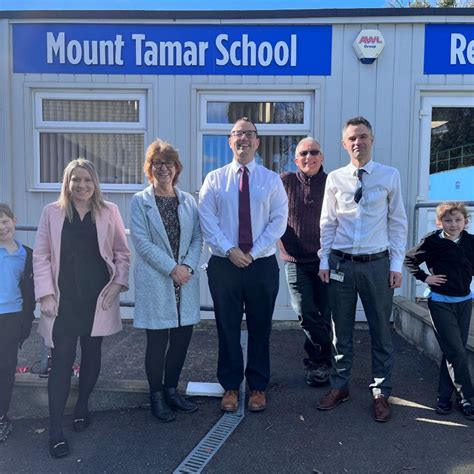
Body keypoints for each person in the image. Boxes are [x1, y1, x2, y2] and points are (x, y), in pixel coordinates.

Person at [33, 159, 130, 458]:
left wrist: (118, 284)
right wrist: (45, 295)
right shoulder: (52, 212)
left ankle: (82, 406)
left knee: (91, 353)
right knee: (61, 360)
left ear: (95, 182)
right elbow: (41, 256)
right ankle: (55, 431)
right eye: (76, 179)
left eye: (87, 179)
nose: (82, 185)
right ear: (67, 182)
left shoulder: (109, 211)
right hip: (62, 300)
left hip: (96, 299)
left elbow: (122, 253)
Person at [316, 116, 407, 422]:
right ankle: (339, 386)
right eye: (352, 138)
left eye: (363, 136)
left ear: (372, 140)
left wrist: (396, 264)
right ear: (344, 144)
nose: (358, 142)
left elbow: (398, 222)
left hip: (377, 265)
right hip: (341, 264)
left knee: (380, 330)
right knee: (340, 330)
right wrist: (324, 260)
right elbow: (328, 222)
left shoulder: (389, 176)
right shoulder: (335, 179)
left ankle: (381, 392)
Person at [199, 117, 288, 413]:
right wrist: (230, 250)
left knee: (261, 327)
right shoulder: (214, 179)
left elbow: (279, 221)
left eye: (249, 134)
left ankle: (258, 387)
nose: (244, 139)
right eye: (238, 134)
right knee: (227, 327)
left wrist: (252, 252)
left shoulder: (271, 180)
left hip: (261, 264)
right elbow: (207, 219)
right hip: (224, 264)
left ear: (257, 142)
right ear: (230, 141)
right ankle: (230, 386)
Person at [130, 139, 202, 423]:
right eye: (157, 163)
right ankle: (156, 396)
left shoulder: (188, 201)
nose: (163, 168)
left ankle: (172, 390)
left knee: (181, 340)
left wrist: (187, 267)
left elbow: (197, 237)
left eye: (168, 163)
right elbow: (142, 242)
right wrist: (173, 268)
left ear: (176, 168)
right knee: (157, 343)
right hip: (158, 279)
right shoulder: (140, 201)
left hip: (185, 280)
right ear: (149, 168)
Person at [404, 202, 474, 421]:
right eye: (447, 220)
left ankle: (444, 397)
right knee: (456, 351)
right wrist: (425, 277)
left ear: (466, 222)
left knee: (453, 350)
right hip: (440, 302)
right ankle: (468, 397)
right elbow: (409, 259)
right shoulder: (432, 241)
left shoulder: (470, 241)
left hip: (464, 302)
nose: (453, 225)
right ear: (439, 222)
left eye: (458, 220)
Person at [279, 138, 331, 387]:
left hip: (326, 261)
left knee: (324, 313)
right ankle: (331, 354)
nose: (309, 157)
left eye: (314, 152)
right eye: (303, 153)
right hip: (295, 260)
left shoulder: (333, 183)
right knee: (305, 312)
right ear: (296, 159)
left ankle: (318, 364)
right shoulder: (284, 182)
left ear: (322, 157)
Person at [0, 203, 35, 442]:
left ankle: (1, 416)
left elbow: (30, 292)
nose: (2, 228)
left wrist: (26, 321)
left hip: (12, 317)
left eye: (5, 221)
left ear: (14, 220)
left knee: (6, 367)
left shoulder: (27, 255)